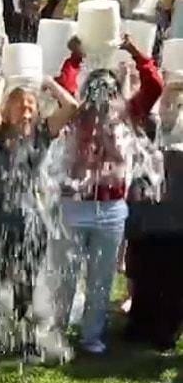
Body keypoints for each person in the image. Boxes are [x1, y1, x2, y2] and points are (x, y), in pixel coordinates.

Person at [36, 34, 163, 358]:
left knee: (101, 276)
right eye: (97, 90)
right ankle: (56, 332)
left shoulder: (128, 115)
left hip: (110, 207)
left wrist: (135, 50)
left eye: (109, 90)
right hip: (73, 203)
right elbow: (64, 87)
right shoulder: (76, 116)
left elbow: (154, 87)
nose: (103, 97)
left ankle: (92, 336)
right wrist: (76, 59)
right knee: (64, 274)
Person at [0, 73, 78, 361]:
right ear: (10, 110)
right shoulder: (0, 136)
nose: (27, 110)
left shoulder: (43, 135)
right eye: (20, 105)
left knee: (26, 282)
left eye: (31, 105)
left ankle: (24, 339)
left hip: (32, 218)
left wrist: (47, 83)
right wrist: (2, 81)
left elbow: (70, 105)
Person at [124, 68, 183, 350]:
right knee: (146, 273)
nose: (173, 106)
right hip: (151, 216)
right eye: (169, 100)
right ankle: (140, 323)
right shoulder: (150, 125)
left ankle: (166, 330)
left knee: (173, 279)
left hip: (176, 219)